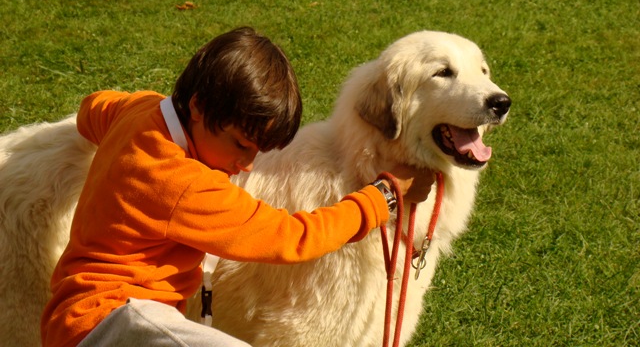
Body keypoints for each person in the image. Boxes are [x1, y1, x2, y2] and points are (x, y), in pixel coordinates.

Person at [40, 27, 434, 347]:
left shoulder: (139, 111)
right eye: (241, 145)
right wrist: (384, 194)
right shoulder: (182, 184)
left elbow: (92, 107)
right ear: (197, 107)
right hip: (113, 322)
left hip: (78, 314)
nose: (246, 165)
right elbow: (290, 237)